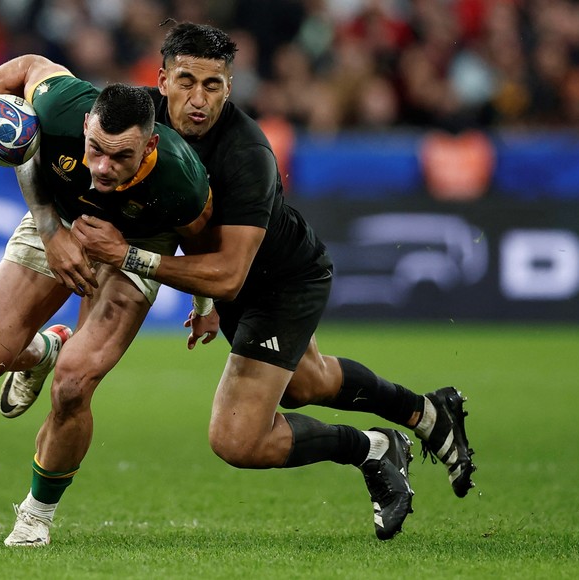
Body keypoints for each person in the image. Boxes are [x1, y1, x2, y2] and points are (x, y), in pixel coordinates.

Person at [71, 22, 477, 539]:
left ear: (230, 87)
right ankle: (427, 413)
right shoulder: (137, 123)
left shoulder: (247, 154)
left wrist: (128, 256)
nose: (199, 99)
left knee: (236, 439)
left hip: (281, 280)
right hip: (232, 282)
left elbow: (228, 270)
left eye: (213, 85)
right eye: (187, 81)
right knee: (311, 383)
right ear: (162, 79)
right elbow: (181, 221)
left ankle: (373, 449)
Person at [0, 61, 214, 546]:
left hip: (138, 245)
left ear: (150, 145)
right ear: (85, 126)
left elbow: (202, 244)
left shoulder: (183, 180)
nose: (101, 169)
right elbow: (28, 67)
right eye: (94, 149)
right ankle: (45, 351)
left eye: (121, 158)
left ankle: (35, 517)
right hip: (59, 220)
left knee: (73, 386)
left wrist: (204, 306)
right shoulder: (60, 105)